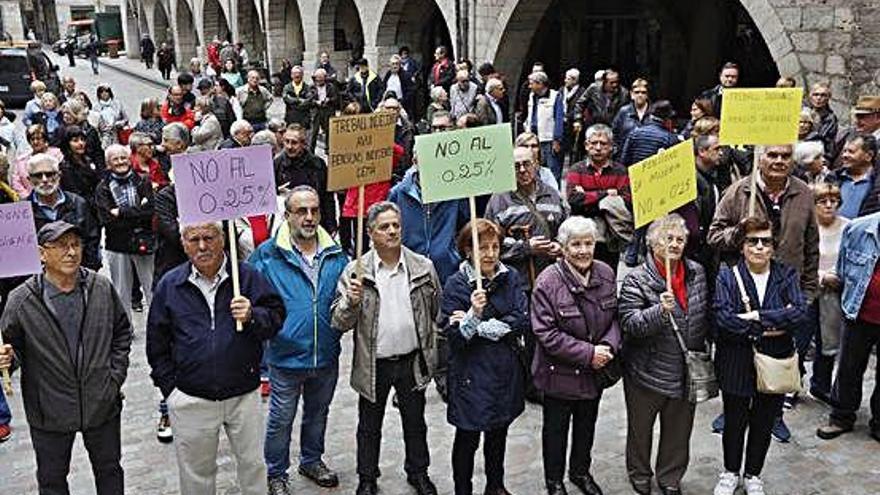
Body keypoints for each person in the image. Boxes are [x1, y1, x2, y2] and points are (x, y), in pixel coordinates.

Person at [147, 221, 285, 495]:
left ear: (222, 239)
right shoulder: (170, 284)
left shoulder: (246, 277)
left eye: (209, 237)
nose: (202, 246)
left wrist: (253, 315)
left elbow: (276, 317)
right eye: (194, 239)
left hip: (243, 394)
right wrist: (171, 390)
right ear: (184, 244)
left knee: (253, 467)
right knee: (196, 475)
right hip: (191, 397)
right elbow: (157, 343)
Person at [0, 220, 133, 494]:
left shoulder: (100, 287)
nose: (71, 252)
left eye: (75, 245)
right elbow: (11, 350)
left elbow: (122, 332)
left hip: (101, 402)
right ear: (41, 253)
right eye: (61, 246)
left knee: (110, 472)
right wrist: (5, 361)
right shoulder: (21, 300)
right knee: (52, 480)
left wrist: (114, 377)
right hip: (49, 410)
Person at [331, 201, 441, 495]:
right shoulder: (356, 271)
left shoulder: (422, 266)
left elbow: (435, 310)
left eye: (396, 225)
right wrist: (350, 302)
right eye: (384, 227)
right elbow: (339, 322)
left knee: (415, 423)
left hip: (411, 361)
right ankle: (367, 477)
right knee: (369, 425)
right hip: (374, 364)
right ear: (370, 233)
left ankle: (418, 472)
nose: (392, 231)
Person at [249, 186, 349, 493]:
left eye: (314, 210)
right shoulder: (266, 256)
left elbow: (342, 303)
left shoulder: (336, 254)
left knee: (318, 414)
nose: (309, 217)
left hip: (325, 353)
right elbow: (250, 298)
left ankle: (311, 459)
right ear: (287, 215)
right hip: (285, 354)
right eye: (301, 211)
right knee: (281, 418)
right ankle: (276, 472)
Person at [712, 217, 807, 495]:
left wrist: (757, 316)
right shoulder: (727, 276)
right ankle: (730, 472)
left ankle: (753, 474)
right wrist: (776, 321)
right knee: (734, 420)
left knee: (764, 421)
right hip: (736, 360)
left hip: (775, 362)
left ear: (773, 247)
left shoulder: (786, 275)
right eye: (752, 241)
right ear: (742, 246)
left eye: (765, 241)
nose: (759, 246)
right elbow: (723, 319)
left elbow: (800, 313)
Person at [618, 213, 710, 495]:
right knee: (640, 429)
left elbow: (703, 314)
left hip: (685, 369)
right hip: (647, 370)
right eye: (667, 238)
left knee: (678, 431)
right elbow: (629, 323)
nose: (675, 244)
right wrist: (659, 311)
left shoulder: (697, 271)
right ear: (653, 243)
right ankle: (640, 472)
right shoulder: (636, 279)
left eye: (680, 239)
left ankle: (670, 477)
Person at [531, 217, 621, 495]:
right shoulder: (547, 282)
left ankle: (580, 472)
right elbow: (547, 334)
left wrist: (607, 347)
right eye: (576, 244)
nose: (583, 250)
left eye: (588, 243)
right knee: (555, 431)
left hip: (595, 373)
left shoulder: (606, 273)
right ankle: (554, 481)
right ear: (563, 247)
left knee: (586, 426)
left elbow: (616, 319)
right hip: (559, 375)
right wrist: (588, 353)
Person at [440, 219, 528, 495]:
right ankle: (462, 489)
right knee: (467, 438)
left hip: (503, 369)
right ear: (467, 250)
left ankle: (495, 485)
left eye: (495, 246)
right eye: (482, 247)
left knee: (498, 434)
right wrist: (473, 314)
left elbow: (520, 320)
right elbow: (453, 337)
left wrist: (477, 326)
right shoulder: (456, 284)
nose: (490, 254)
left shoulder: (510, 277)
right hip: (470, 373)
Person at [815, 210, 880, 443]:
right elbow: (842, 269)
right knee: (848, 368)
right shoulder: (858, 229)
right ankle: (841, 417)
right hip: (859, 312)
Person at [388, 111, 468, 283]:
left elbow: (466, 224)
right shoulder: (398, 193)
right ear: (414, 161)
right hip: (410, 272)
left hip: (447, 270)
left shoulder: (455, 191)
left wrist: (455, 255)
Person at [485, 145, 568, 287]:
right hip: (515, 282)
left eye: (527, 164)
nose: (522, 170)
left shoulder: (552, 195)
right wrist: (525, 247)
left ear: (536, 164)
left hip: (551, 280)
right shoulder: (499, 199)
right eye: (516, 166)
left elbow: (566, 230)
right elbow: (490, 242)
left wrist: (560, 246)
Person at [94, 144, 155, 320]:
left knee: (151, 287)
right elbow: (107, 219)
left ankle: (158, 325)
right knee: (121, 291)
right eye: (116, 159)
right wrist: (137, 211)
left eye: (123, 158)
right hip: (117, 244)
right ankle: (125, 330)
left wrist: (122, 212)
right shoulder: (102, 187)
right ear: (108, 164)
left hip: (144, 240)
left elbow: (150, 210)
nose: (121, 162)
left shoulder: (143, 180)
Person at [565, 124, 632, 268]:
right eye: (594, 143)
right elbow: (573, 200)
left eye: (603, 143)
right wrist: (607, 195)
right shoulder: (577, 169)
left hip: (609, 239)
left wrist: (588, 197)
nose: (598, 147)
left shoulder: (620, 171)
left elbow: (627, 201)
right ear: (586, 145)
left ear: (611, 146)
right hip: (581, 236)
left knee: (607, 279)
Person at [806, 183, 848, 405]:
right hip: (809, 290)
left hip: (835, 294)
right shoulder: (808, 226)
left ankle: (821, 385)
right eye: (823, 201)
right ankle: (790, 387)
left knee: (828, 342)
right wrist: (822, 277)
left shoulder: (849, 227)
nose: (829, 205)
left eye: (833, 201)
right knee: (801, 339)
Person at [273, 125, 337, 235]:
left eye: (294, 143)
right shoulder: (277, 164)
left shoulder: (317, 164)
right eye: (286, 142)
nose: (289, 146)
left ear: (303, 144)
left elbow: (327, 196)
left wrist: (331, 225)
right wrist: (278, 191)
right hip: (288, 223)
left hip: (313, 221)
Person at [526, 71, 565, 182]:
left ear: (540, 84)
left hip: (549, 139)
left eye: (531, 83)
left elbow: (559, 119)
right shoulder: (532, 96)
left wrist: (557, 139)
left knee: (553, 170)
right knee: (537, 169)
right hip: (534, 138)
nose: (529, 86)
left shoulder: (555, 96)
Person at [829, 134, 880, 219]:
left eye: (851, 152)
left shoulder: (876, 184)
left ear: (869, 156)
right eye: (844, 151)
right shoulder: (833, 178)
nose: (844, 155)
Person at [619, 100, 680, 167]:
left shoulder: (634, 133)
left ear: (651, 116)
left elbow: (623, 160)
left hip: (634, 175)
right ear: (668, 120)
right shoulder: (670, 138)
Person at [12, 124, 64, 197]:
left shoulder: (57, 155)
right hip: (30, 200)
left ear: (45, 139)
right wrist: (28, 197)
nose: (35, 142)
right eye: (32, 139)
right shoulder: (21, 160)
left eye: (38, 138)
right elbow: (16, 183)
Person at [59, 125, 101, 210]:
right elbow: (75, 194)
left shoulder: (88, 159)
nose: (81, 143)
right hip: (82, 208)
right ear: (67, 144)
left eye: (82, 139)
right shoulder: (65, 167)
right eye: (75, 140)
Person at [612, 78, 651, 154]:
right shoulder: (623, 112)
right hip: (626, 156)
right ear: (631, 94)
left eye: (643, 92)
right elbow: (614, 134)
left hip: (648, 154)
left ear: (647, 95)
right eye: (637, 92)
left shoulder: (653, 112)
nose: (640, 95)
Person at [805, 83, 838, 159]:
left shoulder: (830, 118)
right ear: (810, 96)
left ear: (828, 97)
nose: (819, 98)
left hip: (821, 154)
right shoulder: (804, 112)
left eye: (823, 95)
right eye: (815, 95)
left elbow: (820, 136)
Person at [310, 68, 339, 150]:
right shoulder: (311, 87)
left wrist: (329, 100)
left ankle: (328, 148)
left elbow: (336, 98)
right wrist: (316, 102)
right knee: (314, 132)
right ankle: (311, 150)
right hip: (316, 111)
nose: (319, 81)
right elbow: (308, 100)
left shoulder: (331, 87)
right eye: (317, 79)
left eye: (321, 79)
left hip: (327, 111)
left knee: (328, 131)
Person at [95, 84, 129, 148]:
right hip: (104, 137)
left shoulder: (117, 104)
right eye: (101, 92)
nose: (104, 93)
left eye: (106, 91)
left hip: (117, 134)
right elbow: (96, 123)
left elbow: (126, 119)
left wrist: (118, 124)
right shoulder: (96, 107)